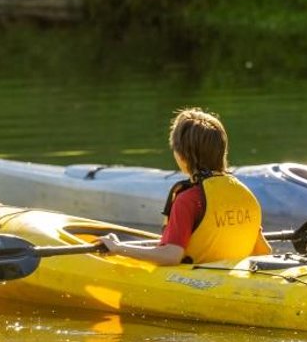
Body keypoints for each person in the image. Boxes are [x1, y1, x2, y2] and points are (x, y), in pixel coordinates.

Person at [98, 108, 272, 265]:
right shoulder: (242, 193)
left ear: (182, 156)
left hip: (197, 283)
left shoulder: (188, 200)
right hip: (236, 278)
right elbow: (264, 251)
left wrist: (118, 248)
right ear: (221, 152)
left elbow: (171, 256)